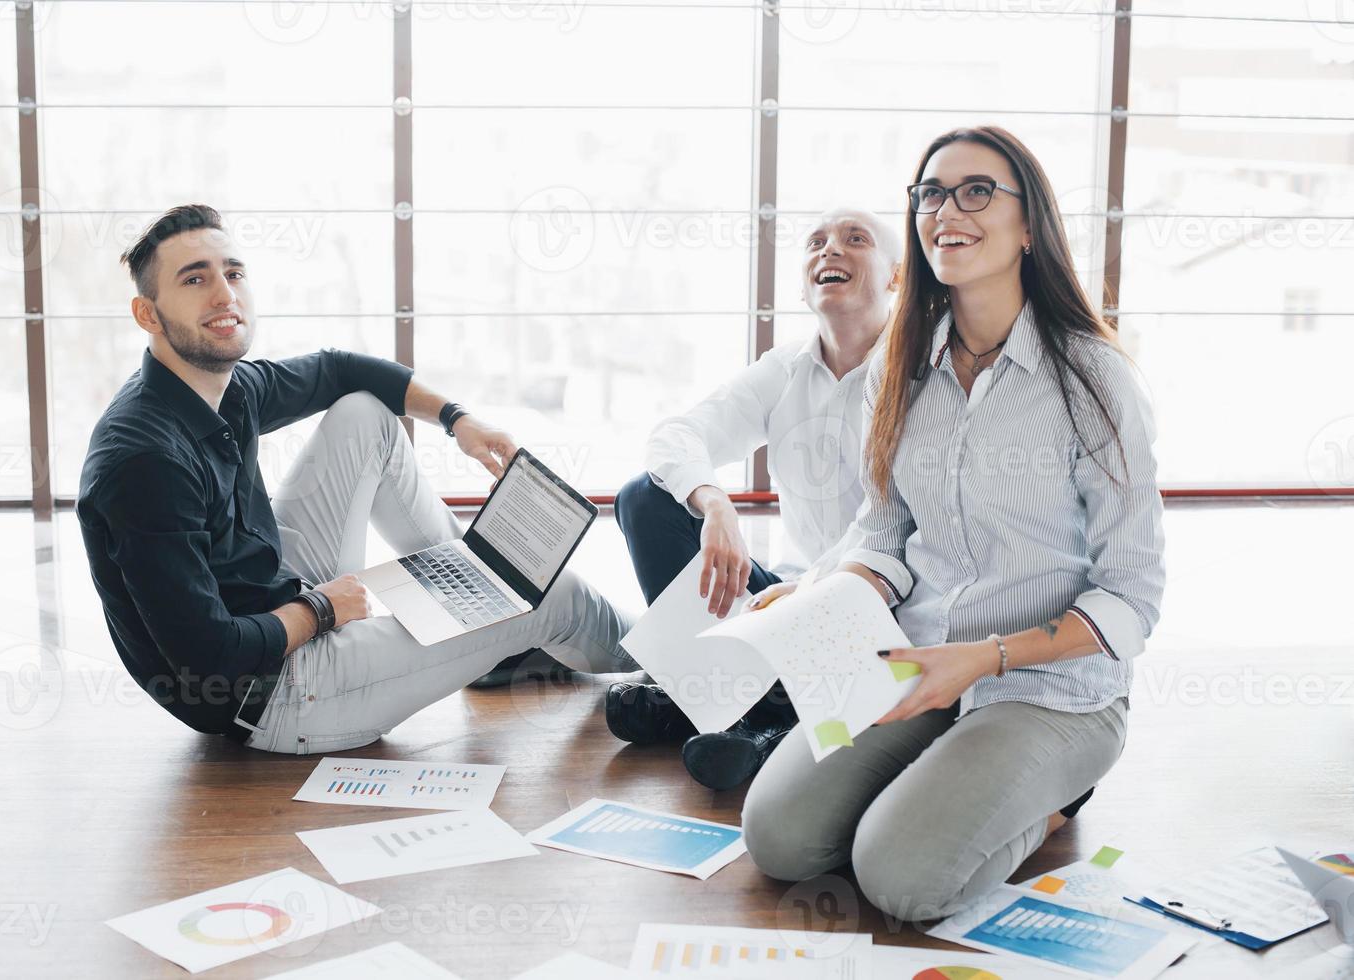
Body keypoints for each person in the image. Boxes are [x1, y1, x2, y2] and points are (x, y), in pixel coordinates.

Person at [741, 127, 1166, 922]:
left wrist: (984, 660)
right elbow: (885, 530)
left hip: (1050, 686)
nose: (947, 209)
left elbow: (1132, 595)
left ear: (1028, 225)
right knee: (778, 838)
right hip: (916, 661)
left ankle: (1052, 797)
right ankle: (957, 775)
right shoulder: (897, 368)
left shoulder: (1095, 379)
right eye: (932, 193)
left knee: (900, 879)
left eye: (977, 191)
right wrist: (827, 593)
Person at [76, 205, 636, 752]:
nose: (225, 294)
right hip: (274, 691)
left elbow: (340, 370)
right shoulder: (144, 462)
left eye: (234, 272)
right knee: (548, 595)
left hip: (275, 595)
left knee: (365, 413)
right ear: (148, 314)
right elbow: (209, 659)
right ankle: (661, 659)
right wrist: (322, 610)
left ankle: (486, 615)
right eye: (195, 279)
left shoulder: (223, 386)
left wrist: (458, 420)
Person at [609, 208, 903, 790]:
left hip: (883, 606)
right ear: (802, 283)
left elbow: (900, 524)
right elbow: (675, 436)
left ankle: (747, 714)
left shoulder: (921, 374)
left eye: (855, 240)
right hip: (790, 600)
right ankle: (746, 706)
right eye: (816, 243)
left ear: (895, 277)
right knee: (644, 499)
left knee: (820, 611)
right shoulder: (786, 369)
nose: (830, 252)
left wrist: (814, 589)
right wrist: (714, 502)